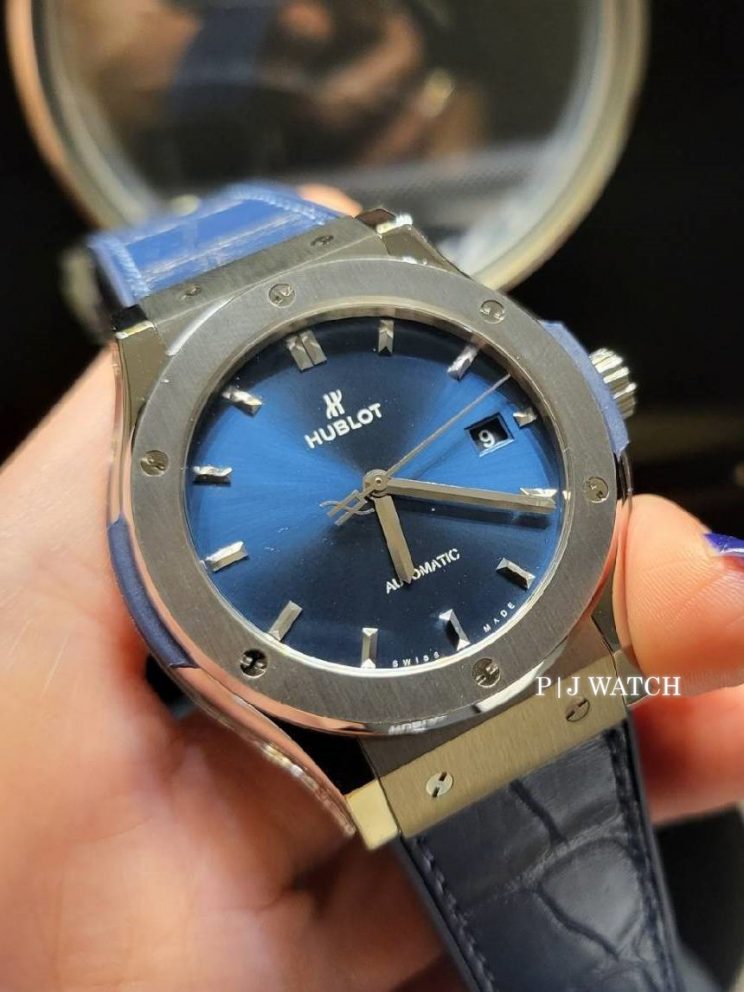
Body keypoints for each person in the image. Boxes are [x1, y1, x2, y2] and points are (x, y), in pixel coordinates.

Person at [1, 189, 743, 989]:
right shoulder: (160, 369)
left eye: (380, 482)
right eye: (367, 488)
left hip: (555, 647)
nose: (373, 482)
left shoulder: (395, 267)